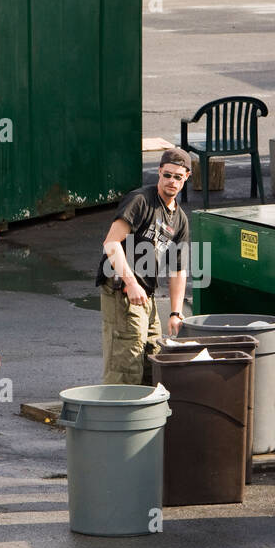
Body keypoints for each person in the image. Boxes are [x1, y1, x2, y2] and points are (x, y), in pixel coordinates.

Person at [95, 148, 191, 384]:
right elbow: (111, 243)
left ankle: (144, 415)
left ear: (186, 178)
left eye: (178, 177)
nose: (171, 181)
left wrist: (176, 313)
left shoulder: (180, 219)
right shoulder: (140, 200)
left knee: (152, 354)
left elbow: (179, 269)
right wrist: (131, 282)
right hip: (122, 288)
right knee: (126, 361)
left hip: (145, 294)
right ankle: (118, 414)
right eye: (167, 175)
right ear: (159, 172)